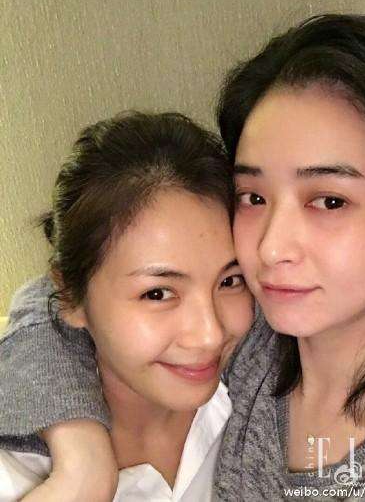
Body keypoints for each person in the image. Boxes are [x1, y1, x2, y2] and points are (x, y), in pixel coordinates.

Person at [2, 13, 365, 501]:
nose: (271, 248)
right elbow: (54, 299)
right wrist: (84, 457)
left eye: (330, 201)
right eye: (254, 196)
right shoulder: (253, 338)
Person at [0, 111, 253, 501]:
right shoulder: (15, 471)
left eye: (229, 281)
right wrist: (81, 480)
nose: (210, 334)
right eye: (158, 293)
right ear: (71, 296)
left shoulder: (260, 390)